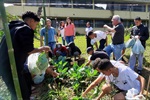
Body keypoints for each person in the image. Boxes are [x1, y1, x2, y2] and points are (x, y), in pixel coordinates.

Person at [0, 11, 50, 100]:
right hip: (11, 68)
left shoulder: (13, 27)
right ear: (31, 21)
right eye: (36, 24)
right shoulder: (25, 29)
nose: (35, 27)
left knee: (22, 87)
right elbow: (29, 50)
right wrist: (43, 48)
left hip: (6, 65)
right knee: (21, 94)